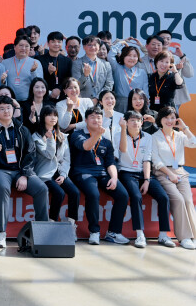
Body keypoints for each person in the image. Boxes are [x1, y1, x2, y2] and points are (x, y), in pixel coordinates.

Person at [0, 95, 48, 248]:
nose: (6, 111)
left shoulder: (22, 130)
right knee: (3, 188)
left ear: (13, 110)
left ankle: (43, 232)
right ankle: (1, 233)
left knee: (41, 188)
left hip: (20, 171)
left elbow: (31, 153)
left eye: (8, 108)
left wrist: (25, 174)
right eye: (2, 109)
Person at [69, 106, 129, 245]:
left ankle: (113, 232)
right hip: (82, 172)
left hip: (102, 173)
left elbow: (110, 163)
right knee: (93, 194)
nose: (96, 120)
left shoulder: (106, 141)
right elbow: (86, 146)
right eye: (92, 117)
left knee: (122, 194)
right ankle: (94, 232)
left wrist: (114, 178)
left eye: (99, 117)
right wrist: (96, 135)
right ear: (86, 120)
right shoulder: (77, 134)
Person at [115, 111, 174, 248]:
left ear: (142, 122)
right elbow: (123, 150)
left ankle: (163, 235)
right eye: (132, 120)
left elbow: (147, 160)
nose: (135, 123)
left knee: (163, 197)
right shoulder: (119, 135)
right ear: (126, 122)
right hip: (127, 172)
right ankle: (140, 235)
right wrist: (123, 130)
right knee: (136, 196)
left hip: (144, 173)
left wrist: (147, 180)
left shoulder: (148, 137)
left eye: (138, 120)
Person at [151, 107, 196, 249]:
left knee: (188, 200)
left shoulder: (180, 135)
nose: (169, 121)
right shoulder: (155, 137)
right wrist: (170, 174)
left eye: (172, 117)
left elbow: (194, 143)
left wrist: (184, 127)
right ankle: (184, 238)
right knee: (178, 199)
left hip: (180, 171)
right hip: (163, 172)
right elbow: (156, 160)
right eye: (166, 117)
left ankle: (194, 236)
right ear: (160, 119)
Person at [31, 105, 79, 235]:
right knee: (59, 193)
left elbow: (66, 159)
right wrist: (51, 140)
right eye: (49, 115)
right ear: (43, 117)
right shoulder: (36, 136)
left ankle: (71, 226)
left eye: (55, 115)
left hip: (59, 172)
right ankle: (51, 224)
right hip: (45, 173)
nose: (53, 118)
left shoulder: (62, 136)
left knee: (74, 192)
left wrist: (63, 174)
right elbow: (49, 155)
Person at [72, 35, 114, 100]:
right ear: (84, 47)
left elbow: (109, 84)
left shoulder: (106, 64)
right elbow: (76, 86)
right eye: (89, 45)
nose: (93, 47)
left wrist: (98, 98)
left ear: (99, 46)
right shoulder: (77, 63)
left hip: (101, 101)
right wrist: (85, 76)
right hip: (83, 101)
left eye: (95, 45)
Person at [108, 45, 147, 113]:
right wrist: (121, 43)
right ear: (123, 56)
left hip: (137, 104)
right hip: (121, 104)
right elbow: (110, 56)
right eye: (129, 55)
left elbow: (145, 91)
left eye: (135, 56)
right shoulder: (117, 68)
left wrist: (146, 106)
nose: (132, 58)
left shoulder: (142, 72)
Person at [2, 35, 43, 101]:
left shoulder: (35, 63)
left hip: (28, 101)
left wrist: (33, 71)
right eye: (21, 45)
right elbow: (1, 84)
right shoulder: (5, 63)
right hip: (9, 101)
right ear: (14, 47)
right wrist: (3, 81)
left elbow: (39, 84)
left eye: (27, 46)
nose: (23, 48)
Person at [35, 31, 73, 102]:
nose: (56, 44)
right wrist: (49, 72)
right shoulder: (39, 59)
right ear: (48, 43)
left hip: (63, 97)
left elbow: (68, 78)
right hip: (44, 96)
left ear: (62, 43)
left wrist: (59, 89)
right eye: (53, 42)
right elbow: (37, 78)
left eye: (59, 42)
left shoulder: (67, 61)